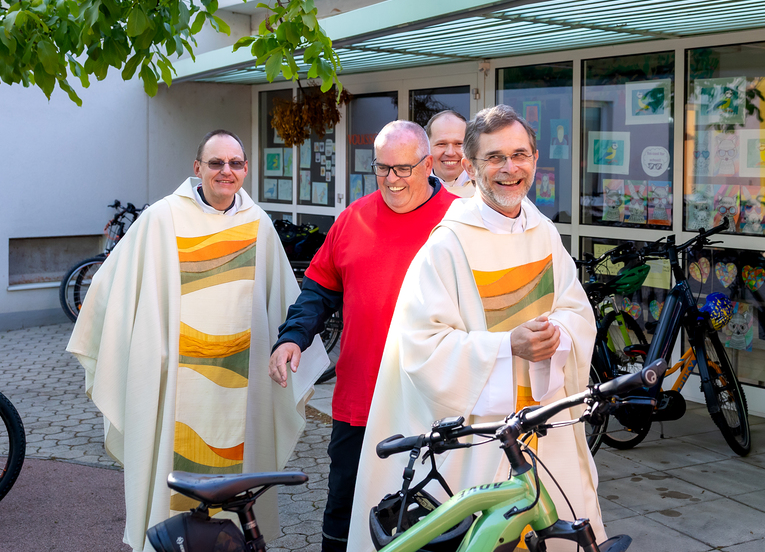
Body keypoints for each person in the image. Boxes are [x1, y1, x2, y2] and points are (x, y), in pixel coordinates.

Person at [348, 105, 602, 552]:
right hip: (481, 439)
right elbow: (422, 348)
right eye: (494, 157)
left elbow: (576, 311)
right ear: (469, 166)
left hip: (543, 423)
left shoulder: (543, 232)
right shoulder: (448, 245)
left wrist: (559, 334)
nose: (510, 168)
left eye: (519, 155)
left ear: (535, 160)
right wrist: (507, 347)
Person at [67, 129, 326, 551]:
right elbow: (113, 286)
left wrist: (291, 348)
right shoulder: (162, 218)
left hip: (242, 382)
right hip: (175, 380)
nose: (226, 171)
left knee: (238, 489)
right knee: (169, 484)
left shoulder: (258, 225)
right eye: (216, 163)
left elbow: (282, 302)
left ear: (245, 169)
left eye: (235, 163)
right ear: (197, 168)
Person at [268, 121, 457, 552]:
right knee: (344, 514)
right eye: (382, 168)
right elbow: (318, 290)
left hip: (431, 405)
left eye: (403, 169)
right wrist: (293, 336)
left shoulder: (460, 221)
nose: (391, 180)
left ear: (428, 164)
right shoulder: (353, 219)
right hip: (360, 403)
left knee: (430, 523)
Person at [426, 109, 475, 197]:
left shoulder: (485, 190)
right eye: (441, 144)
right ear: (427, 147)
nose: (450, 153)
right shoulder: (413, 189)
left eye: (458, 144)